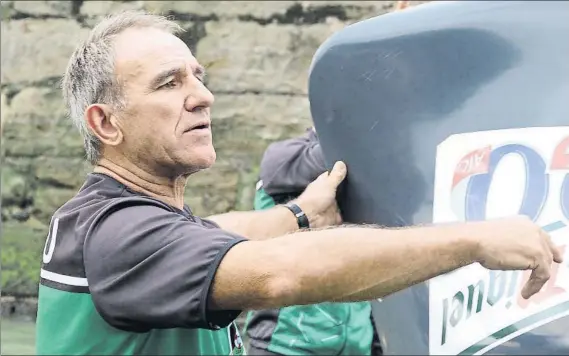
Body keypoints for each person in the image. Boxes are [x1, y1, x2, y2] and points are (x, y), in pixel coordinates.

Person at [35, 10, 562, 356]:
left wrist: (301, 215)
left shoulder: (129, 219)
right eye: (169, 84)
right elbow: (277, 277)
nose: (202, 96)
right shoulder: (118, 235)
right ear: (106, 124)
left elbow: (214, 228)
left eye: (198, 76)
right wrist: (472, 239)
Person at [246, 127, 383, 356]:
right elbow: (334, 158)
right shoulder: (283, 157)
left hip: (358, 348)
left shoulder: (372, 176)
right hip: (286, 346)